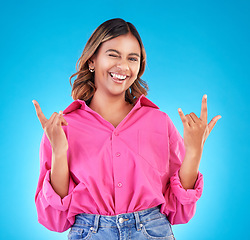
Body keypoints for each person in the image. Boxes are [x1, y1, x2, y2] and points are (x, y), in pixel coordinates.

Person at [33, 18, 221, 239]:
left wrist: (194, 153)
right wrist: (58, 153)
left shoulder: (158, 121)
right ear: (92, 60)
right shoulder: (63, 127)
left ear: (139, 67)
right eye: (113, 54)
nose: (122, 66)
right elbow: (55, 219)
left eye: (132, 58)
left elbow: (179, 212)